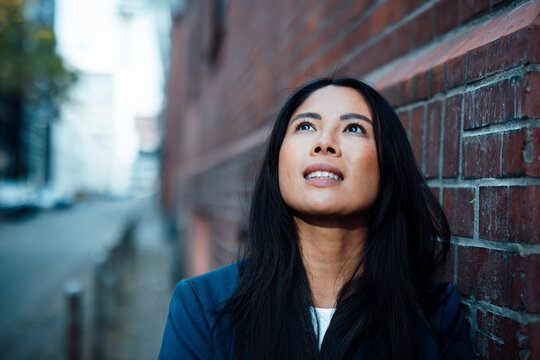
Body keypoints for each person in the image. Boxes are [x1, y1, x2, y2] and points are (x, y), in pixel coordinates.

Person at [158, 77, 475, 359]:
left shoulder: (435, 315)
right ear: (278, 162)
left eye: (354, 128)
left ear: (388, 167)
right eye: (306, 126)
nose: (324, 143)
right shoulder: (203, 305)